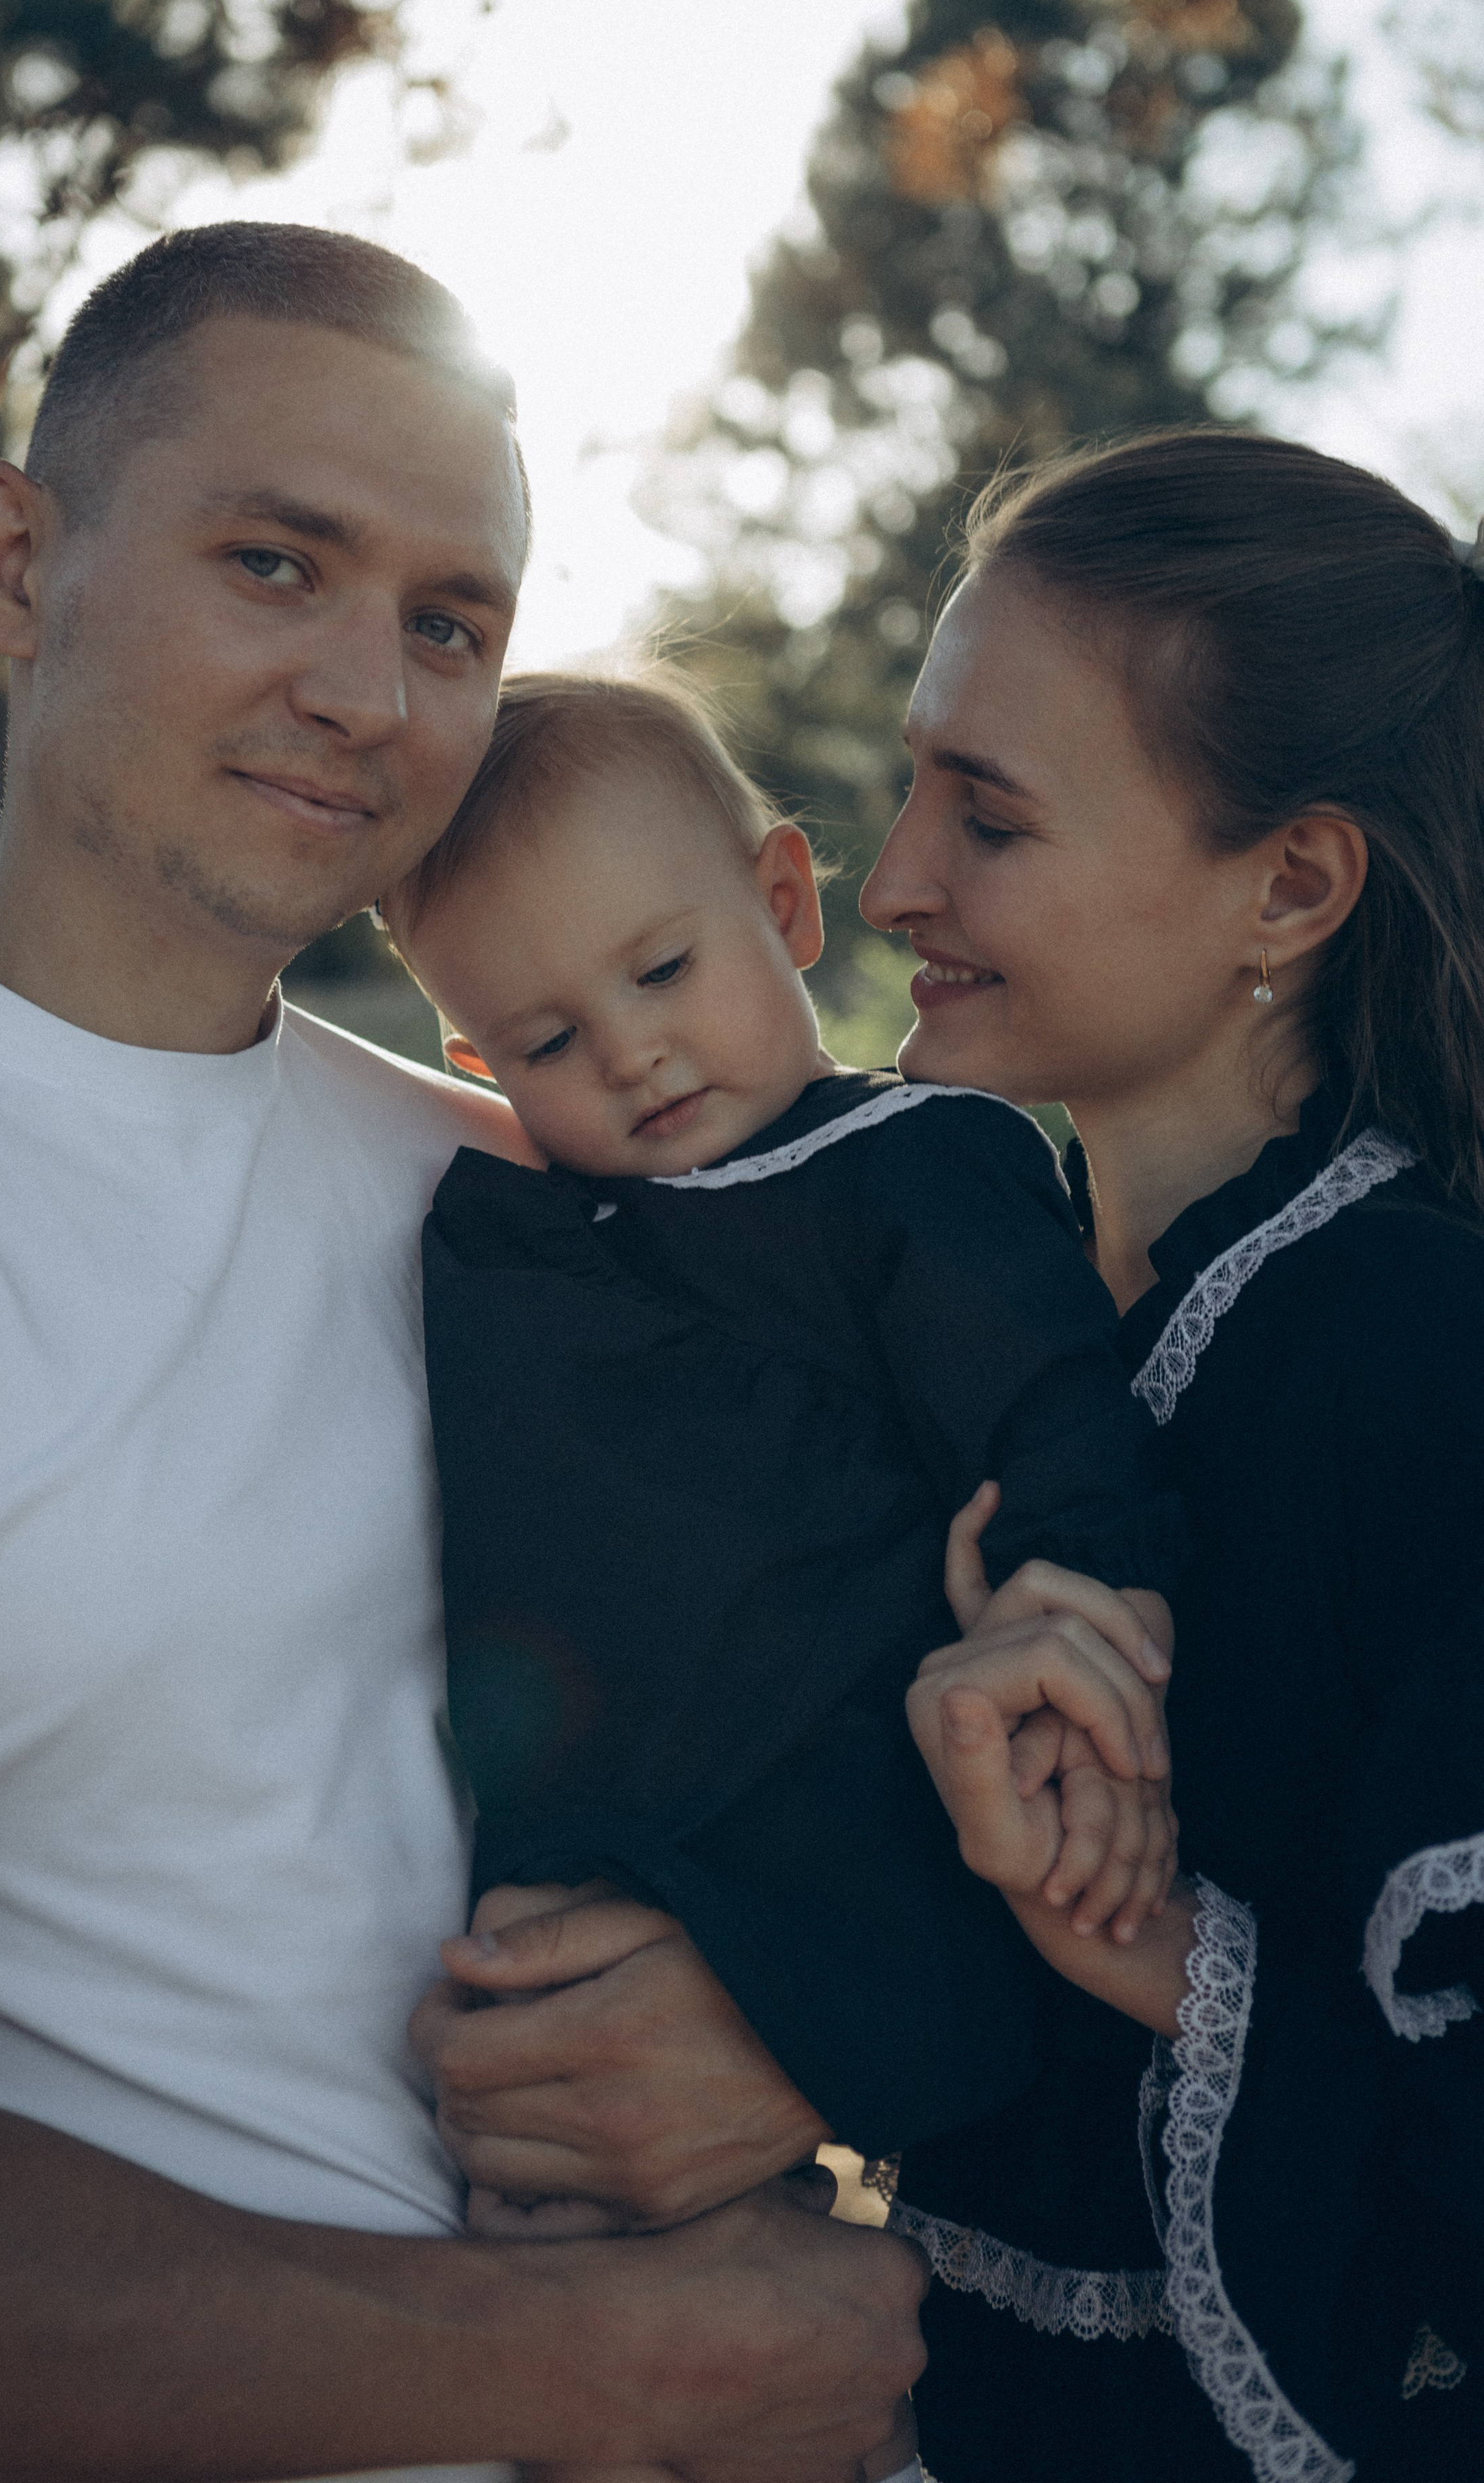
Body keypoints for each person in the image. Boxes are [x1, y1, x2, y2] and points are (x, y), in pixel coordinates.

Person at [0, 221, 929, 2483]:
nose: (374, 699)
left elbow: (913, 1654)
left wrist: (804, 2019)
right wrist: (623, 2367)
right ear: (15, 559)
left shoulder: (535, 1199)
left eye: (449, 624)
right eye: (275, 563)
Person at [859, 429, 1484, 2482]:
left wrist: (1148, 1945)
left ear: (1293, 883)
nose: (890, 885)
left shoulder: (1422, 1359)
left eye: (992, 815)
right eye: (911, 783)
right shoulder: (959, 1318)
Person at [383, 667, 1181, 2220]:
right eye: (546, 1039)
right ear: (478, 1069)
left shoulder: (911, 1167)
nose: (630, 1055)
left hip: (827, 1809)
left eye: (664, 969)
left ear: (783, 900)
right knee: (556, 2238)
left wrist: (1079, 1600)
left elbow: (1051, 1416)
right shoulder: (542, 1232)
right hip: (584, 1838)